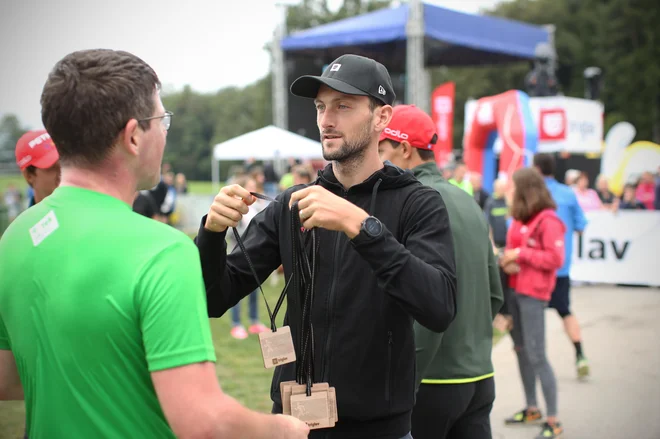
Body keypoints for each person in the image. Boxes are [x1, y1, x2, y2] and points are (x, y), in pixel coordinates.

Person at [0, 48, 308, 439]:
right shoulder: (163, 250)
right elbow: (203, 422)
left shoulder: (16, 237)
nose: (164, 131)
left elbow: (8, 379)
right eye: (161, 120)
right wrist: (281, 429)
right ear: (132, 136)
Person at [196, 54, 457, 439]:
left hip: (380, 428)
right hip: (295, 422)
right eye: (320, 107)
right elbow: (215, 298)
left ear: (381, 118)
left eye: (343, 106)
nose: (325, 120)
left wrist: (360, 226)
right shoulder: (292, 203)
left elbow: (438, 307)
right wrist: (212, 234)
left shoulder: (418, 202)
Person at [378, 104, 503, 439]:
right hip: (479, 376)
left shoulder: (412, 203)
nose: (375, 160)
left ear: (404, 149)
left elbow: (424, 302)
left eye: (380, 149)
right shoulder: (467, 201)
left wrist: (408, 378)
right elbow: (494, 293)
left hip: (432, 381)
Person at [500, 167, 566, 439]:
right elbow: (514, 250)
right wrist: (507, 258)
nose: (507, 191)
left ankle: (553, 420)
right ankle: (532, 408)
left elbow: (555, 259)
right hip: (515, 293)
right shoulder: (519, 216)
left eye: (512, 187)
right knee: (521, 350)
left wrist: (520, 255)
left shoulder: (548, 220)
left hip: (533, 295)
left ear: (525, 189)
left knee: (537, 355)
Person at [533, 153, 590, 379]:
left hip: (536, 266)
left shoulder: (533, 194)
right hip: (560, 267)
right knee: (565, 311)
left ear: (536, 170)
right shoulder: (568, 194)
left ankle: (536, 365)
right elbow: (581, 226)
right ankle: (580, 355)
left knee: (531, 314)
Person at [228, 176, 269, 340]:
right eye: (250, 186)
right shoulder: (236, 206)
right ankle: (236, 324)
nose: (253, 189)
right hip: (238, 253)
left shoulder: (259, 206)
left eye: (255, 186)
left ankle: (254, 321)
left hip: (253, 254)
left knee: (254, 289)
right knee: (236, 290)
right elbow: (232, 232)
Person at [484, 178, 514, 329]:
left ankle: (508, 311)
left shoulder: (508, 203)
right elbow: (488, 224)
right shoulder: (491, 202)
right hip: (498, 246)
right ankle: (500, 312)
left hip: (509, 247)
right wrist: (493, 245)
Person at [14, 129, 61, 206]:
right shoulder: (28, 218)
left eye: (65, 165)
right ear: (28, 175)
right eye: (53, 167)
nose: (63, 174)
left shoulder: (86, 210)